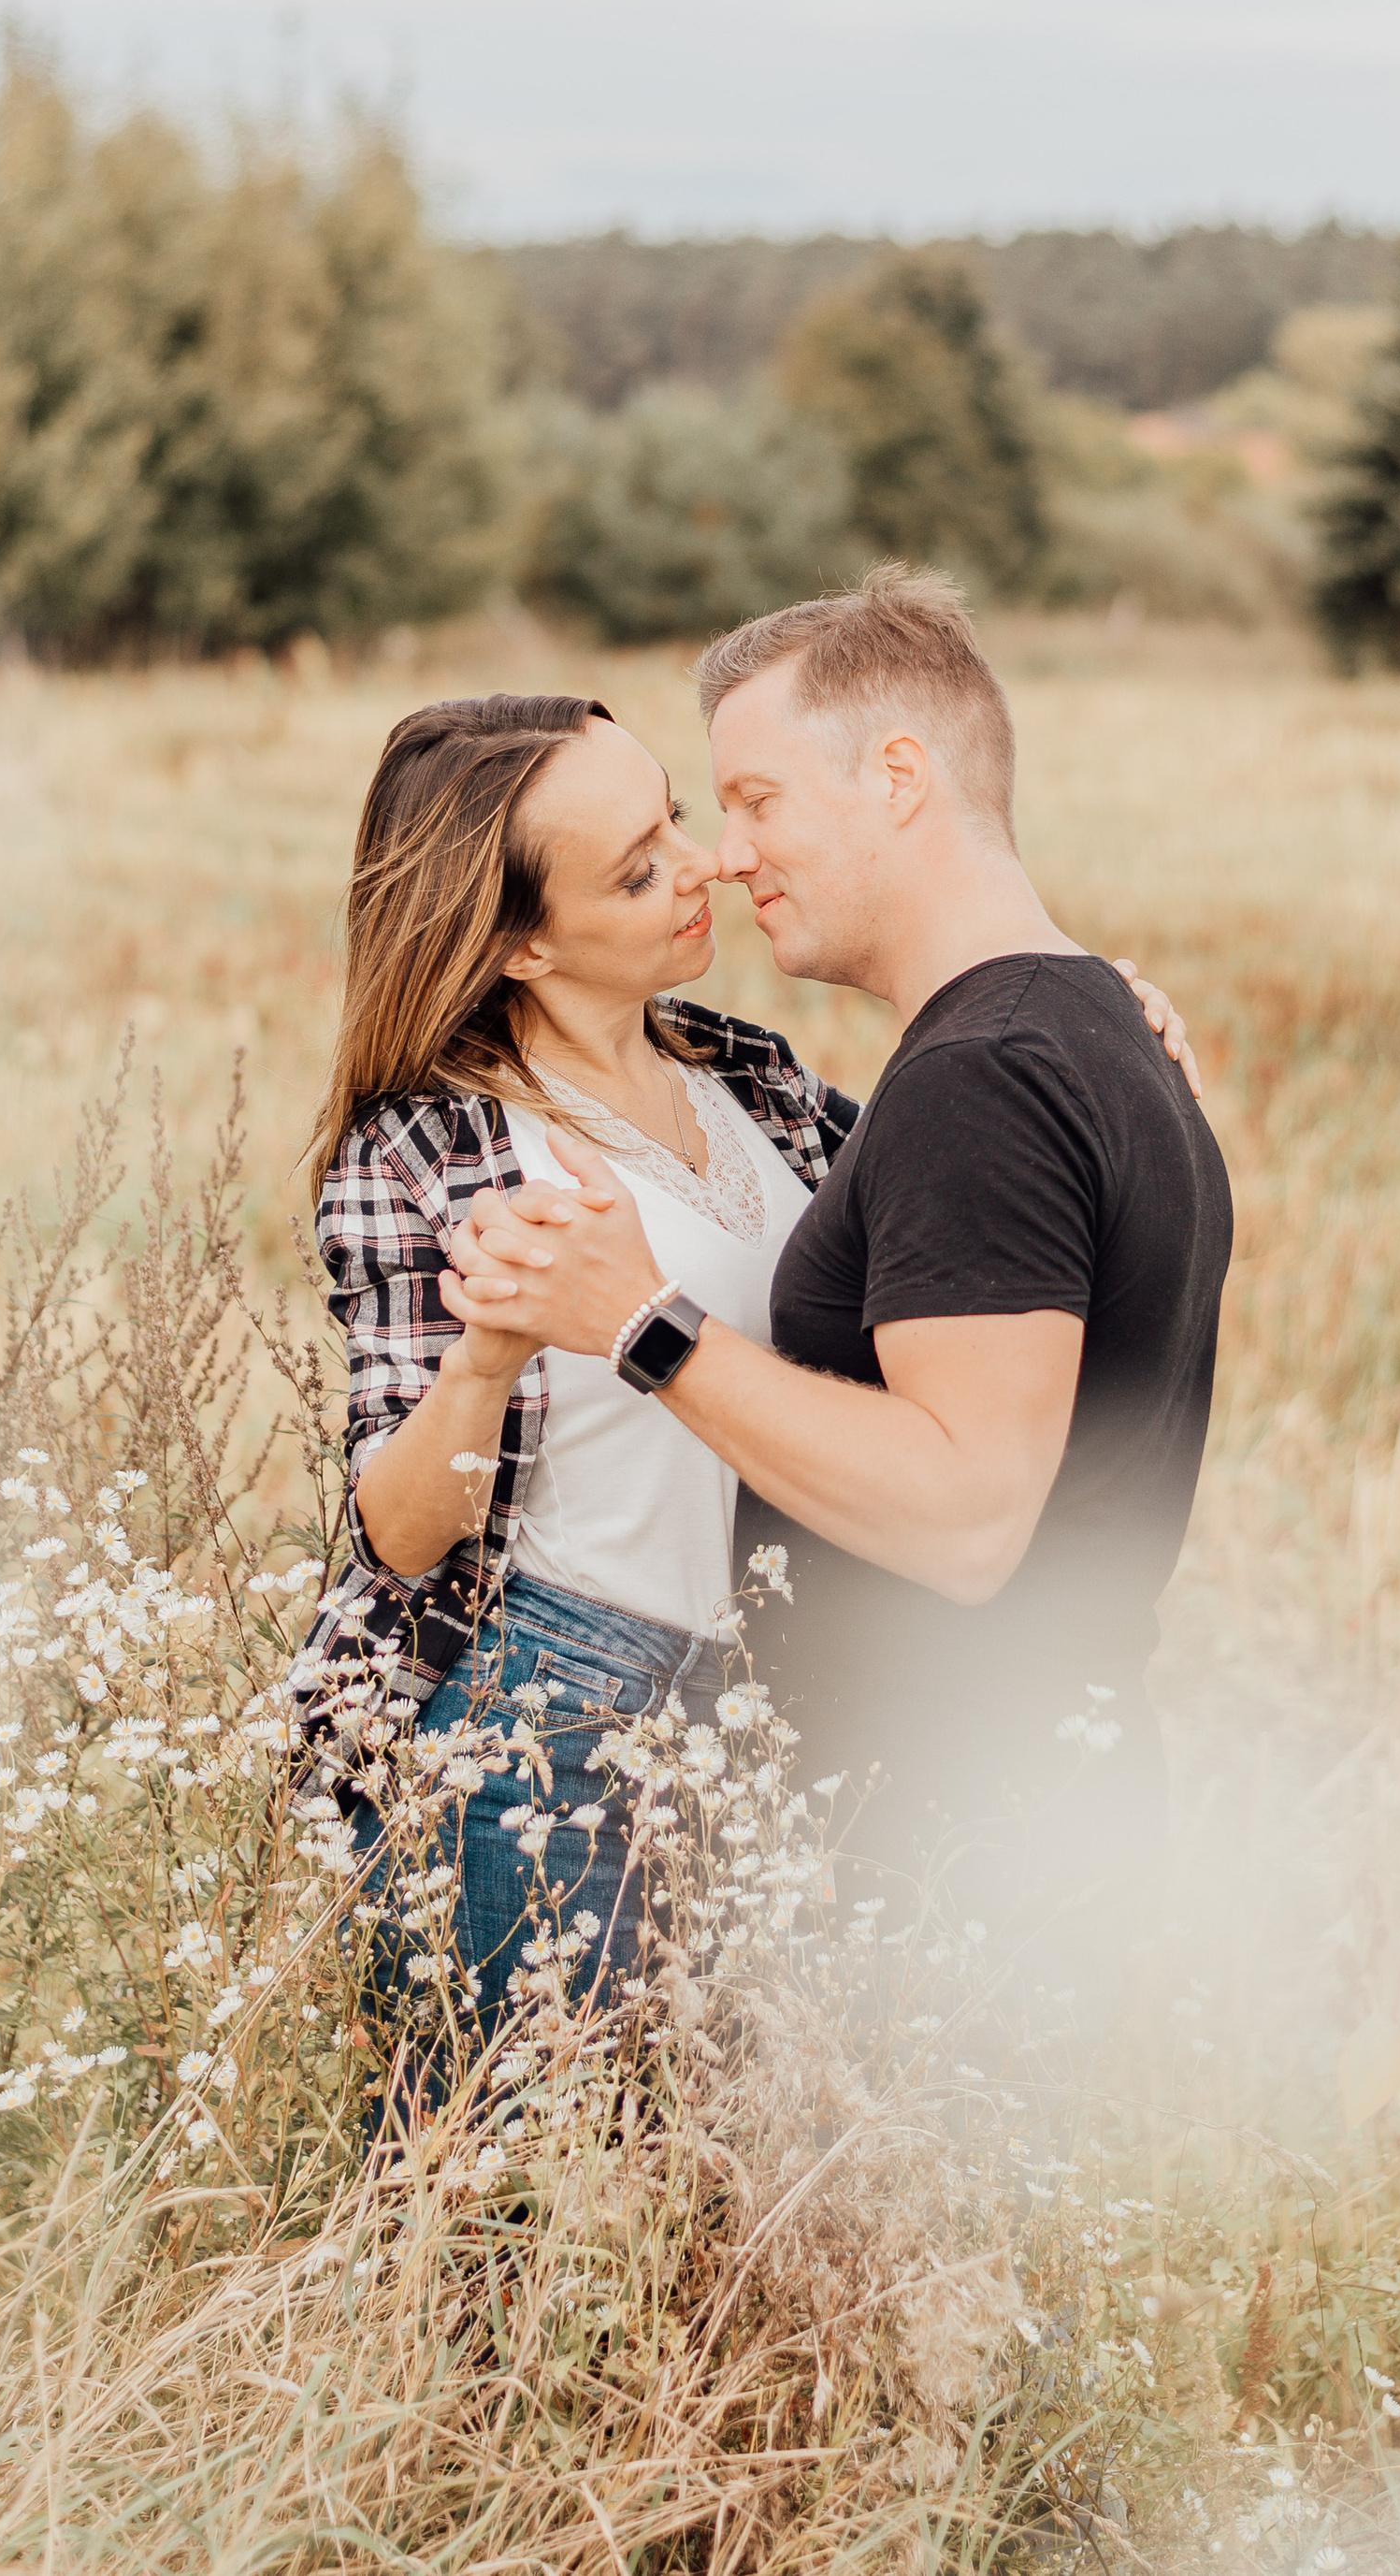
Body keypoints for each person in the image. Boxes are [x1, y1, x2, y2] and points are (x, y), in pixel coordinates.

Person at [293, 685, 1197, 2082]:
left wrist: (1100, 1036)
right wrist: (487, 1357)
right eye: (639, 868)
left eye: (677, 818)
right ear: (523, 939)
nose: (703, 863)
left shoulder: (750, 1077)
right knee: (509, 2226)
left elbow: (962, 1201)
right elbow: (396, 1532)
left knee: (702, 2224)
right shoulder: (428, 1152)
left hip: (755, 1720)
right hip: (544, 1720)